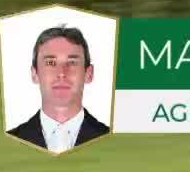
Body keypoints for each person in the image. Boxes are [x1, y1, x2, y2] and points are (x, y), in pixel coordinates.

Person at [8, 25, 112, 154]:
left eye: (72, 62)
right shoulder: (8, 142)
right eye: (51, 63)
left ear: (88, 74)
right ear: (34, 74)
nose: (62, 73)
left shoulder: (115, 142)